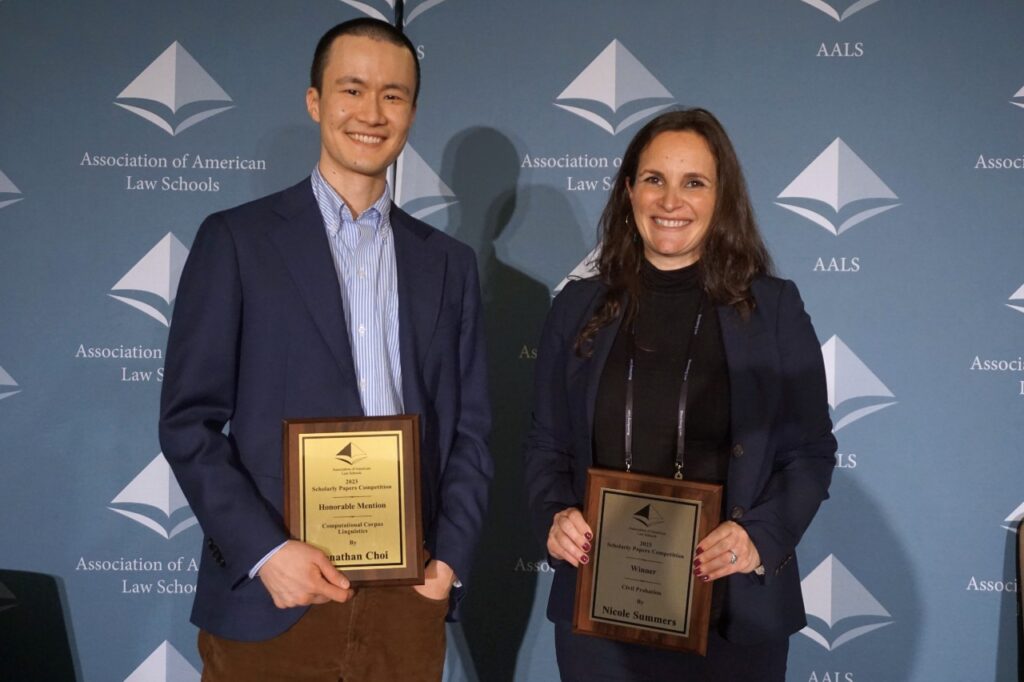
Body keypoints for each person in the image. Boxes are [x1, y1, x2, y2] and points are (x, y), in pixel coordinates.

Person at [159, 18, 491, 682]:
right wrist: (266, 553)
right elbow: (187, 422)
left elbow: (472, 431)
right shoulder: (238, 241)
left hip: (406, 600)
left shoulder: (448, 265)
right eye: (352, 89)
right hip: (276, 596)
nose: (372, 112)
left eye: (393, 95)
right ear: (315, 101)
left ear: (413, 112)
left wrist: (448, 560)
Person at [523, 108, 836, 681]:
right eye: (654, 180)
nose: (671, 201)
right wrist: (555, 512)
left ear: (722, 198)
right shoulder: (576, 307)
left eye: (694, 182)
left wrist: (758, 537)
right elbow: (546, 442)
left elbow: (811, 452)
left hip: (730, 613)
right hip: (602, 614)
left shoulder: (774, 309)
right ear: (628, 192)